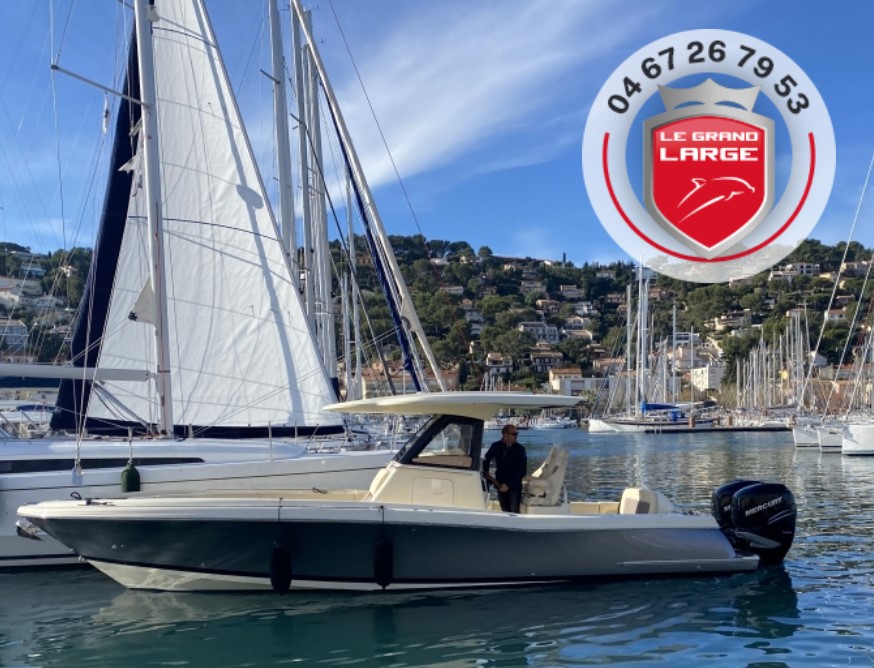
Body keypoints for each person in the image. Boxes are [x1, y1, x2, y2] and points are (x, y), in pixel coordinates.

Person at [482, 424, 527, 513]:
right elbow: (486, 459)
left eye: (517, 434)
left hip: (514, 486)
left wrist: (509, 485)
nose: (516, 436)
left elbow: (522, 471)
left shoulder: (520, 449)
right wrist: (487, 474)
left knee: (514, 512)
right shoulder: (496, 446)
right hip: (500, 483)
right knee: (505, 511)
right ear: (505, 435)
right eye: (514, 434)